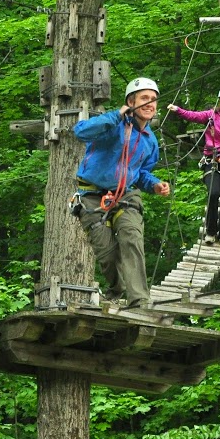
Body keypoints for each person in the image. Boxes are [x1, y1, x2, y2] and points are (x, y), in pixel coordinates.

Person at [72, 77, 170, 308]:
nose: (150, 104)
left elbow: (142, 172)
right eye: (144, 98)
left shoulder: (150, 141)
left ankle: (139, 300)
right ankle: (118, 289)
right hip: (92, 195)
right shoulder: (110, 124)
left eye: (154, 100)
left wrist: (155, 184)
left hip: (126, 194)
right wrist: (117, 115)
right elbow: (81, 131)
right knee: (107, 254)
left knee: (131, 237)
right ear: (130, 101)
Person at [167, 85, 220, 245]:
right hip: (211, 159)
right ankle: (211, 231)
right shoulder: (210, 116)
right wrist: (177, 110)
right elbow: (192, 116)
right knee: (213, 193)